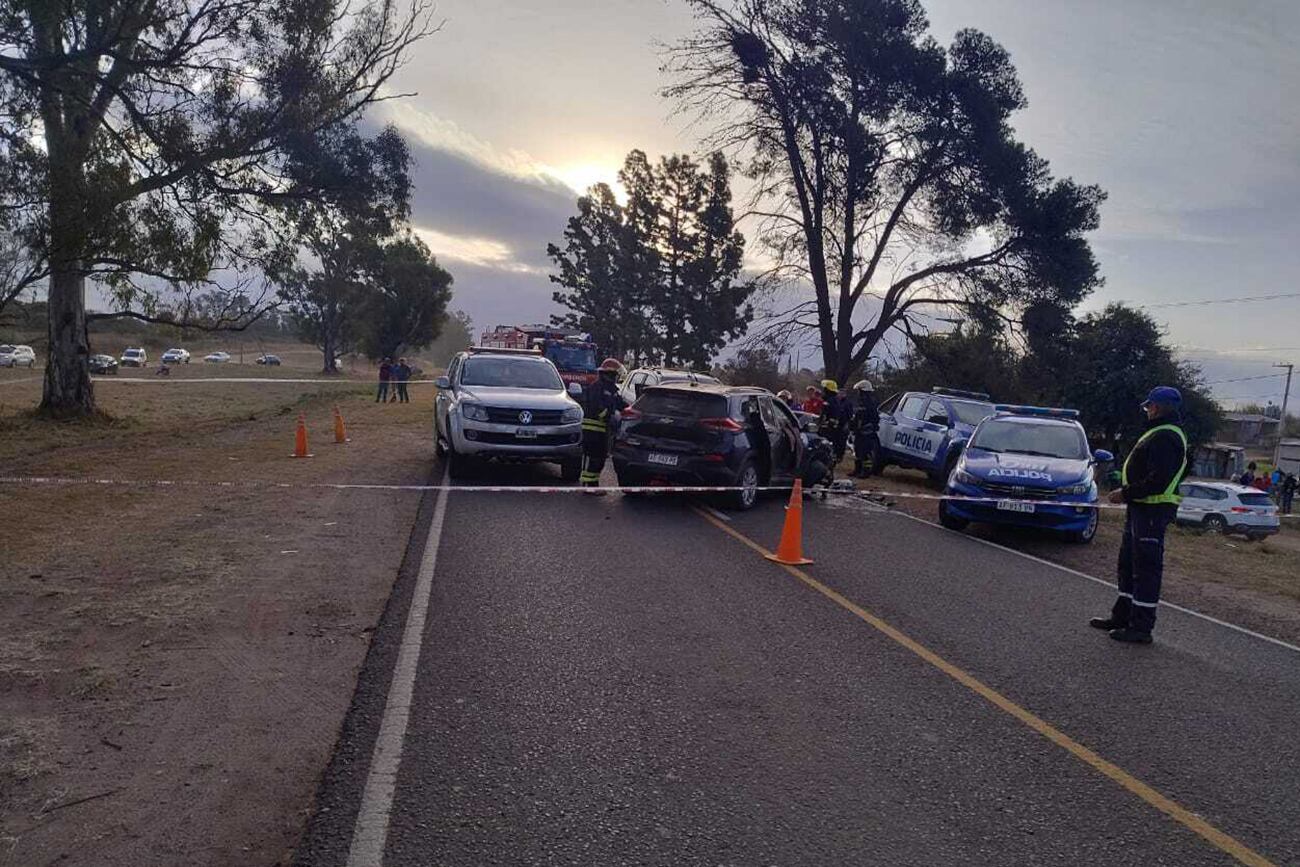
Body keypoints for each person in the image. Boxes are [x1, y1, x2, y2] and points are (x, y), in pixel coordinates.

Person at [1090, 386, 1188, 644]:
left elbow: (1158, 479)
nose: (1147, 410)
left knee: (1146, 569)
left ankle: (1141, 626)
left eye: (1149, 406)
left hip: (1152, 509)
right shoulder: (1159, 432)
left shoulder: (1166, 436)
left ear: (1157, 407)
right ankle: (1122, 616)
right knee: (1128, 564)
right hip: (1141, 508)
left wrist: (1126, 493)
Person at [579, 357, 628, 494]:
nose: (616, 376)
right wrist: (608, 416)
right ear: (609, 374)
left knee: (600, 458)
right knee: (594, 458)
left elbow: (620, 403)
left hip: (602, 430)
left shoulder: (611, 389)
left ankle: (592, 484)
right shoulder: (597, 387)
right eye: (615, 374)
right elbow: (596, 407)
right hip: (592, 429)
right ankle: (589, 486)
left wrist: (632, 410)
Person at [850, 379, 879, 478]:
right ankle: (857, 470)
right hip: (859, 432)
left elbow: (874, 418)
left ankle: (866, 472)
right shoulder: (862, 402)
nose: (858, 393)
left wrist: (866, 427)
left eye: (859, 391)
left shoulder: (870, 403)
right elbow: (858, 416)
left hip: (867, 433)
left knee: (865, 452)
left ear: (863, 391)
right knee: (857, 450)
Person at [818, 379, 851, 463]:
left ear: (827, 390)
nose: (823, 391)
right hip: (834, 429)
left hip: (828, 429)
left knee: (823, 446)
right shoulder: (836, 400)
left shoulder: (829, 401)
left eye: (824, 389)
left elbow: (824, 415)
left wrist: (821, 423)